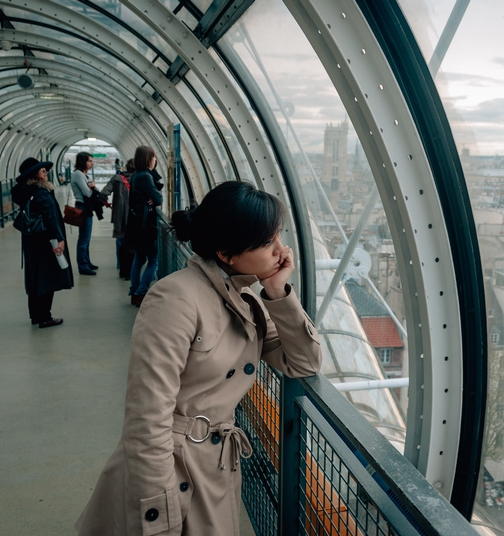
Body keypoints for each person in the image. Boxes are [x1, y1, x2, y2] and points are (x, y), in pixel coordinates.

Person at [75, 181, 323, 536]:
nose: (281, 252)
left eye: (279, 237)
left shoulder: (249, 300)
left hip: (216, 466)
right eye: (269, 242)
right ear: (226, 252)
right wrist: (159, 517)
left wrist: (277, 290)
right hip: (171, 470)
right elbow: (148, 416)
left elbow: (304, 363)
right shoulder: (174, 298)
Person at [10, 157, 73, 328]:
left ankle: (36, 315)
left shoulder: (27, 193)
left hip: (32, 240)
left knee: (35, 276)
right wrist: (59, 240)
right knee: (48, 276)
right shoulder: (42, 193)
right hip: (47, 241)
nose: (45, 171)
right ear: (34, 174)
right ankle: (45, 316)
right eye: (41, 169)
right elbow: (51, 219)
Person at [125, 145, 163, 306]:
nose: (155, 160)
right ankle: (141, 293)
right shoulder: (145, 177)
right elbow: (159, 199)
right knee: (153, 260)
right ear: (148, 158)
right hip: (146, 226)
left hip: (136, 224)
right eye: (153, 157)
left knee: (139, 258)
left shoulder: (136, 175)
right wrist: (154, 199)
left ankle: (134, 291)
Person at [101, 158, 134, 278]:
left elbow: (104, 193)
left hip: (119, 216)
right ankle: (131, 267)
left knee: (120, 241)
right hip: (133, 217)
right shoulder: (139, 179)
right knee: (132, 243)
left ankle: (120, 264)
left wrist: (107, 204)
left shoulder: (116, 178)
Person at [71, 151, 98, 275]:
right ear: (83, 162)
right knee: (83, 238)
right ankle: (83, 265)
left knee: (86, 237)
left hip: (86, 207)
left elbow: (93, 189)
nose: (92, 163)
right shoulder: (78, 174)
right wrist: (92, 187)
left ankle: (86, 261)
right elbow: (87, 193)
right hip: (82, 207)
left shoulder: (84, 175)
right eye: (89, 161)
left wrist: (92, 187)